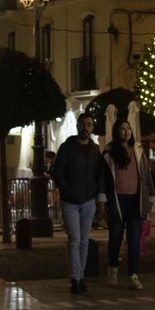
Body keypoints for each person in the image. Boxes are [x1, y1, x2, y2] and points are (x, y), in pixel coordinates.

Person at [53, 112, 108, 294]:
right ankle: (75, 278)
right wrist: (68, 191)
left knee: (84, 240)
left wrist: (99, 199)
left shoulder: (95, 150)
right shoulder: (67, 148)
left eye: (89, 124)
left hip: (89, 200)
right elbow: (58, 172)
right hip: (70, 201)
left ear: (92, 128)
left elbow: (99, 174)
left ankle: (80, 275)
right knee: (74, 239)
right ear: (78, 126)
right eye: (83, 124)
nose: (86, 127)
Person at [103, 121, 154, 289]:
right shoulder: (110, 152)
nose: (126, 132)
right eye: (122, 129)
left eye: (128, 128)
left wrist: (151, 197)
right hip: (116, 201)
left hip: (136, 201)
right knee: (115, 238)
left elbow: (146, 176)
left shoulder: (138, 150)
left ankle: (133, 275)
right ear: (116, 132)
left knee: (134, 239)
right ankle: (113, 270)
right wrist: (102, 199)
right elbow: (103, 177)